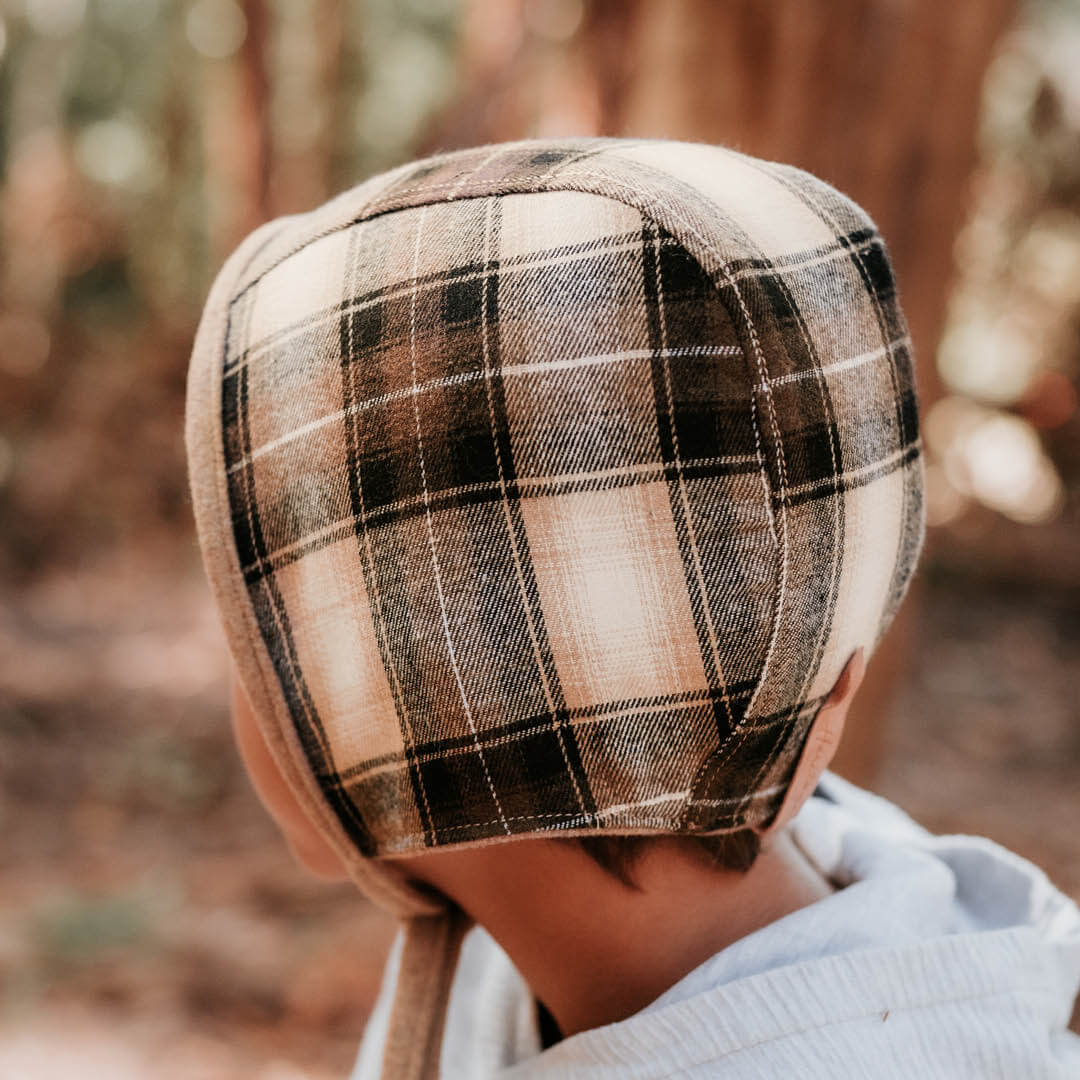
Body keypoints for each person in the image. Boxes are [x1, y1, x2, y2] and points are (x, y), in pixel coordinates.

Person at [186, 137, 1080, 1079]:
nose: (230, 666)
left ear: (362, 693)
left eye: (245, 624)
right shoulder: (891, 916)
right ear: (830, 697)